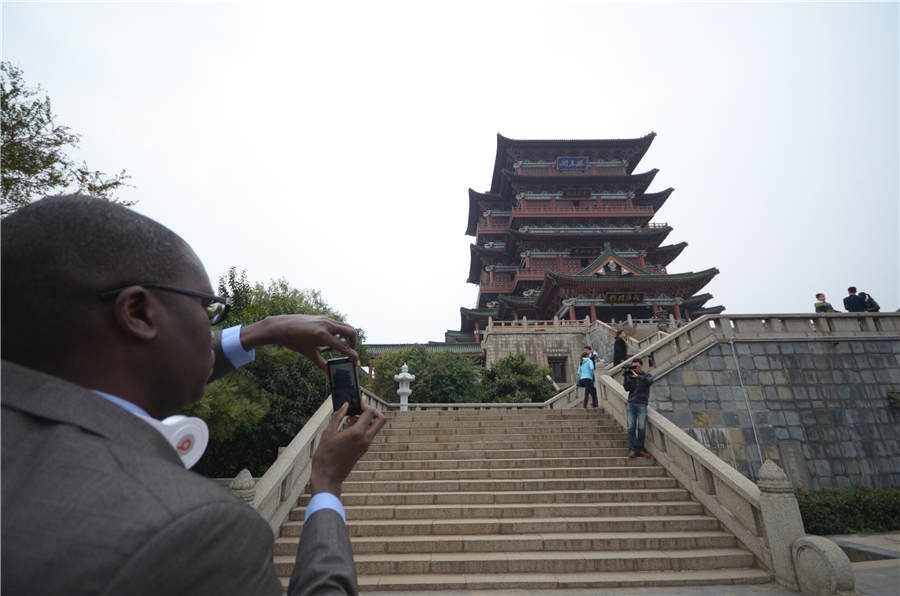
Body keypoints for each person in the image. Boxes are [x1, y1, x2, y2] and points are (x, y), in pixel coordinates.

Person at [1, 195, 386, 595]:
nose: (210, 327)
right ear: (138, 312)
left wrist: (262, 330)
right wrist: (326, 485)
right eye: (207, 309)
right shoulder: (191, 527)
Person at [623, 358, 654, 458]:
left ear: (641, 366)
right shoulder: (631, 375)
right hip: (631, 403)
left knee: (641, 428)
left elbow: (650, 382)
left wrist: (638, 377)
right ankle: (634, 449)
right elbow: (626, 388)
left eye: (637, 366)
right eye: (633, 366)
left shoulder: (646, 376)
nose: (635, 368)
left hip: (642, 404)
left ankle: (639, 449)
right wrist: (626, 376)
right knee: (630, 427)